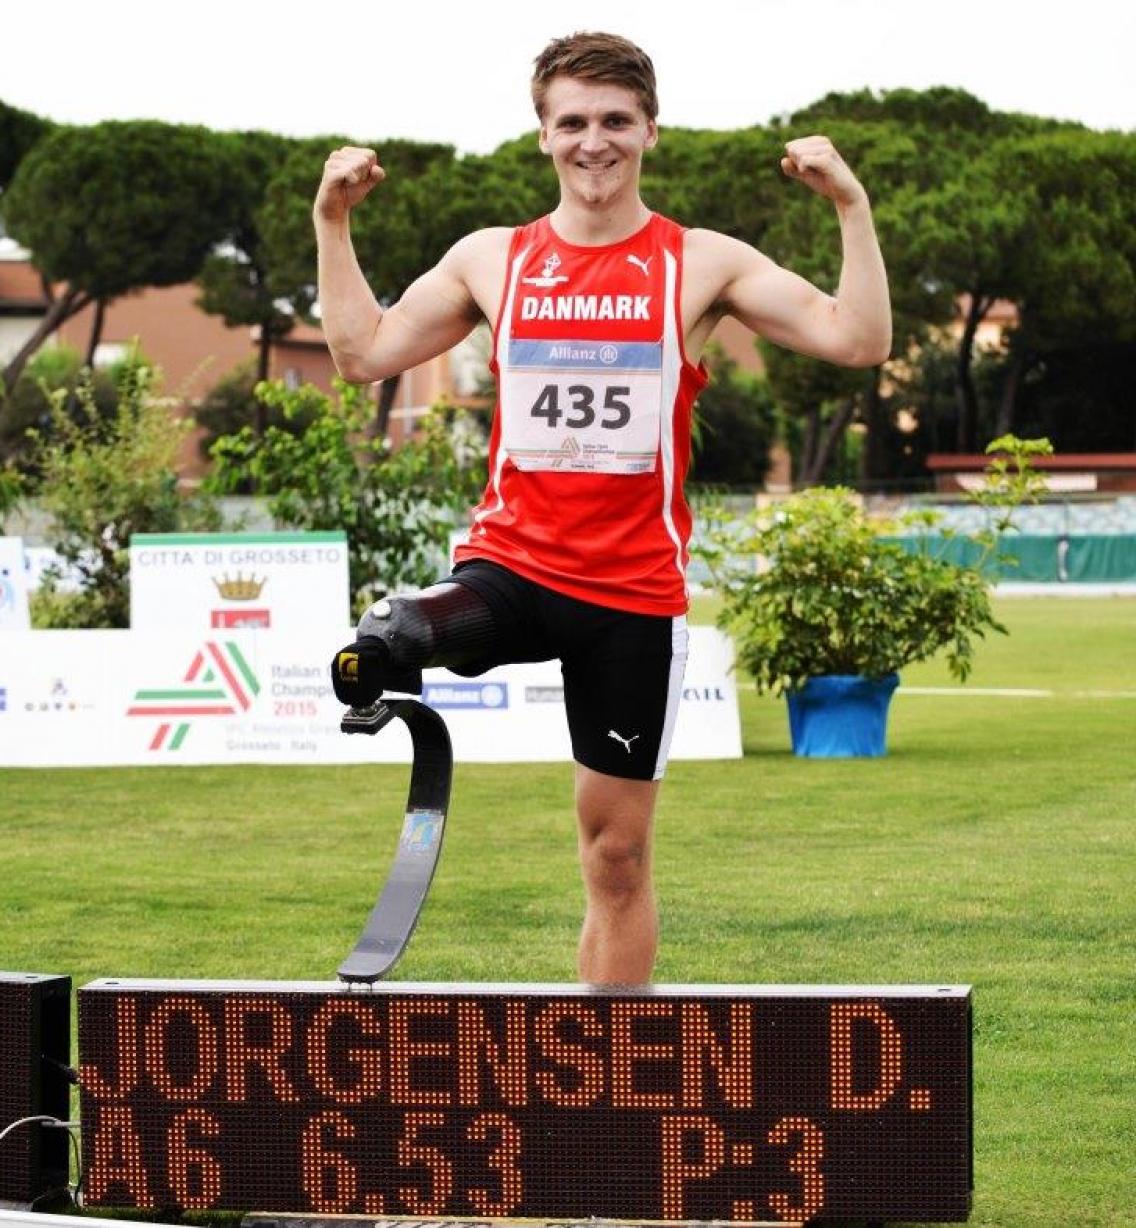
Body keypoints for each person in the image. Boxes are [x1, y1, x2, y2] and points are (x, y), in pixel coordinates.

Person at [314, 31, 890, 985]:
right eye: (572, 122)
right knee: (405, 629)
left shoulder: (700, 263)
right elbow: (362, 353)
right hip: (510, 570)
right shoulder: (492, 261)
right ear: (542, 135)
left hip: (629, 600)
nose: (595, 141)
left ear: (649, 131)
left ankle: (610, 1087)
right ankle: (396, 635)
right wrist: (333, 223)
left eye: (615, 121)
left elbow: (859, 339)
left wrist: (851, 207)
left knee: (615, 857)